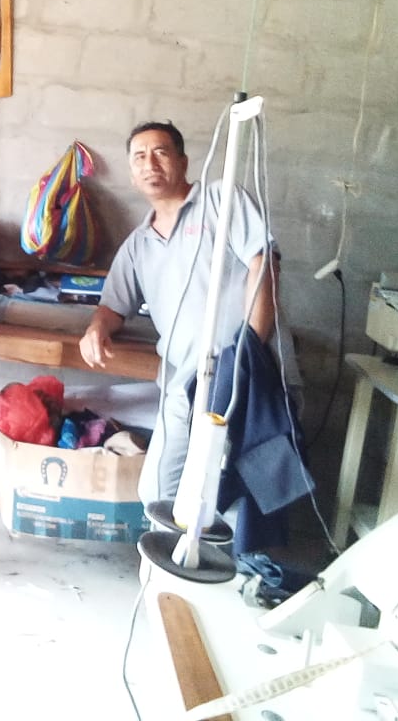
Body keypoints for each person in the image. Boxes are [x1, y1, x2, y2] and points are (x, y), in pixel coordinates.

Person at [78, 120, 277, 505]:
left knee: (238, 494)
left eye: (160, 153)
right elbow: (113, 306)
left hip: (242, 372)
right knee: (159, 492)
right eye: (139, 157)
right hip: (184, 382)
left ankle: (237, 547)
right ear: (132, 174)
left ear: (183, 162)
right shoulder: (138, 244)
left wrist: (250, 351)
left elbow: (263, 263)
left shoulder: (221, 201)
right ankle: (176, 546)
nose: (150, 164)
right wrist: (96, 329)